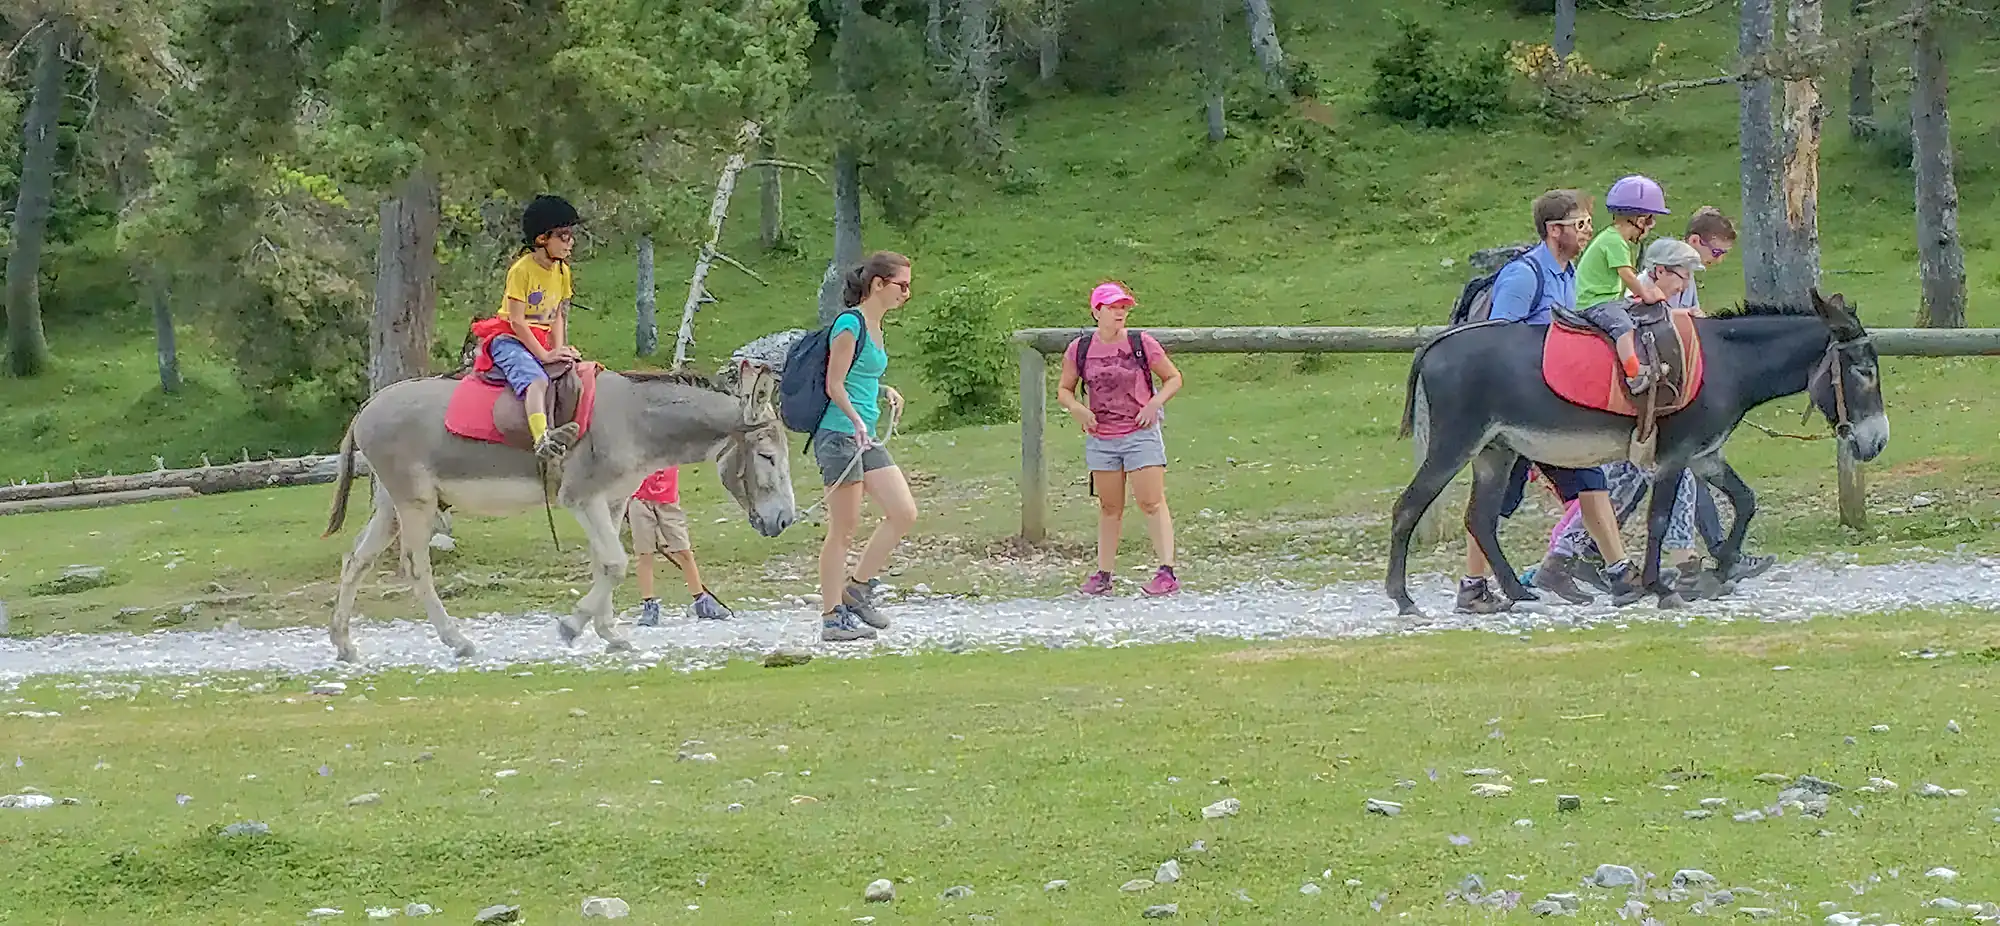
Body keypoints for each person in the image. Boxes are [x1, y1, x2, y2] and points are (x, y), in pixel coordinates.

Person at [1456, 188, 1644, 613]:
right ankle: (1472, 587)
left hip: (1555, 407)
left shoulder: (1572, 276)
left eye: (1588, 224)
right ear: (1553, 230)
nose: (1587, 232)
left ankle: (1621, 572)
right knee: (1497, 500)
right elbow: (1499, 344)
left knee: (1591, 481)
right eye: (1580, 225)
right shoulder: (1525, 276)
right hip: (1517, 413)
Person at [1533, 238, 1711, 603]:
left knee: (1621, 486)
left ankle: (1563, 559)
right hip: (1632, 414)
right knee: (1671, 476)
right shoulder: (1635, 308)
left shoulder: (1665, 304)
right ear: (1660, 271)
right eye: (1682, 276)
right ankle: (1686, 563)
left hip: (1642, 416)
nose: (1686, 284)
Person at [1056, 281, 1186, 597]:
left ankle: (1166, 571)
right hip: (1102, 437)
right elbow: (1064, 389)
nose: (1120, 314)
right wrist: (1078, 410)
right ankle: (1103, 574)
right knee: (1109, 506)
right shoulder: (1079, 349)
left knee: (1151, 501)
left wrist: (1155, 403)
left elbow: (1173, 378)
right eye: (1113, 307)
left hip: (1140, 434)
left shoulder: (1142, 343)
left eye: (1123, 308)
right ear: (1096, 311)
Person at [814, 251, 919, 643]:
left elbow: (860, 378)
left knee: (903, 512)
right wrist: (857, 419)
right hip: (840, 435)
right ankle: (830, 617)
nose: (907, 294)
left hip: (865, 435)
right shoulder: (850, 323)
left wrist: (883, 390)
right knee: (844, 528)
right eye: (902, 285)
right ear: (878, 284)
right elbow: (834, 383)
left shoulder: (875, 326)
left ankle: (857, 589)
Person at [468, 194, 586, 460]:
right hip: (509, 337)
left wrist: (559, 349)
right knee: (536, 380)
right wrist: (544, 356)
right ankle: (542, 439)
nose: (571, 242)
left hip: (541, 336)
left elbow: (558, 315)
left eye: (571, 235)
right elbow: (517, 320)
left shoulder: (562, 271)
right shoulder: (522, 271)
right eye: (564, 235)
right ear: (542, 239)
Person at [1571, 175, 1671, 395]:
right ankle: (1634, 375)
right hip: (1594, 302)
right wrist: (1646, 294)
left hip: (1608, 298)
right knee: (1623, 327)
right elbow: (1627, 275)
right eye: (1651, 220)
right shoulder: (1614, 242)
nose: (1651, 226)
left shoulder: (1613, 238)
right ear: (1640, 219)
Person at [626, 466, 732, 625]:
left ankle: (701, 602)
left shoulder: (671, 443)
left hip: (668, 501)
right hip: (640, 500)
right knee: (645, 554)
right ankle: (649, 606)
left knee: (684, 551)